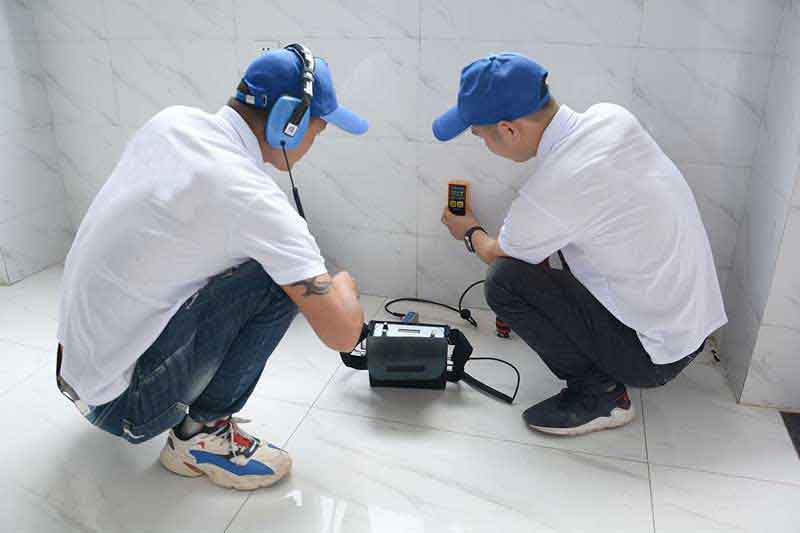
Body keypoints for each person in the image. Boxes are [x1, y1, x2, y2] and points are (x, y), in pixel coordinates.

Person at [56, 44, 369, 489]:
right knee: (275, 280)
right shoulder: (253, 199)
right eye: (317, 130)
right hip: (122, 406)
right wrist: (344, 286)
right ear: (290, 122)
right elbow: (343, 334)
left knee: (254, 258)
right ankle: (199, 438)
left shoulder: (172, 122)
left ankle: (154, 397)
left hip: (73, 367)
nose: (314, 143)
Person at [434, 53, 727, 436]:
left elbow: (495, 251)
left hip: (653, 358)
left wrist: (469, 229)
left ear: (508, 129)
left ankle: (602, 397)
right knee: (546, 249)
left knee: (504, 280)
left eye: (481, 135)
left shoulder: (555, 186)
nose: (486, 145)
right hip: (690, 327)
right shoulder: (612, 117)